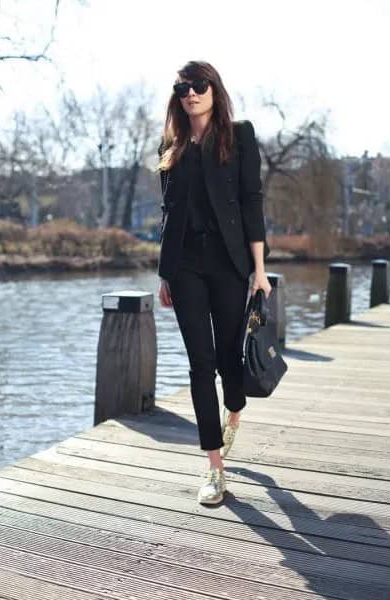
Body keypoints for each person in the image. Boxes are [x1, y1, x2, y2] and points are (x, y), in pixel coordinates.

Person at [155, 60, 272, 505]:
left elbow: (251, 202)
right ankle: (214, 469)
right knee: (200, 365)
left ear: (213, 89)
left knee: (228, 361)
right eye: (183, 87)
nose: (191, 93)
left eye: (198, 85)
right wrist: (165, 272)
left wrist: (259, 270)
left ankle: (235, 410)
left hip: (228, 263)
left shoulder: (238, 136)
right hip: (185, 266)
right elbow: (169, 213)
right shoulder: (171, 144)